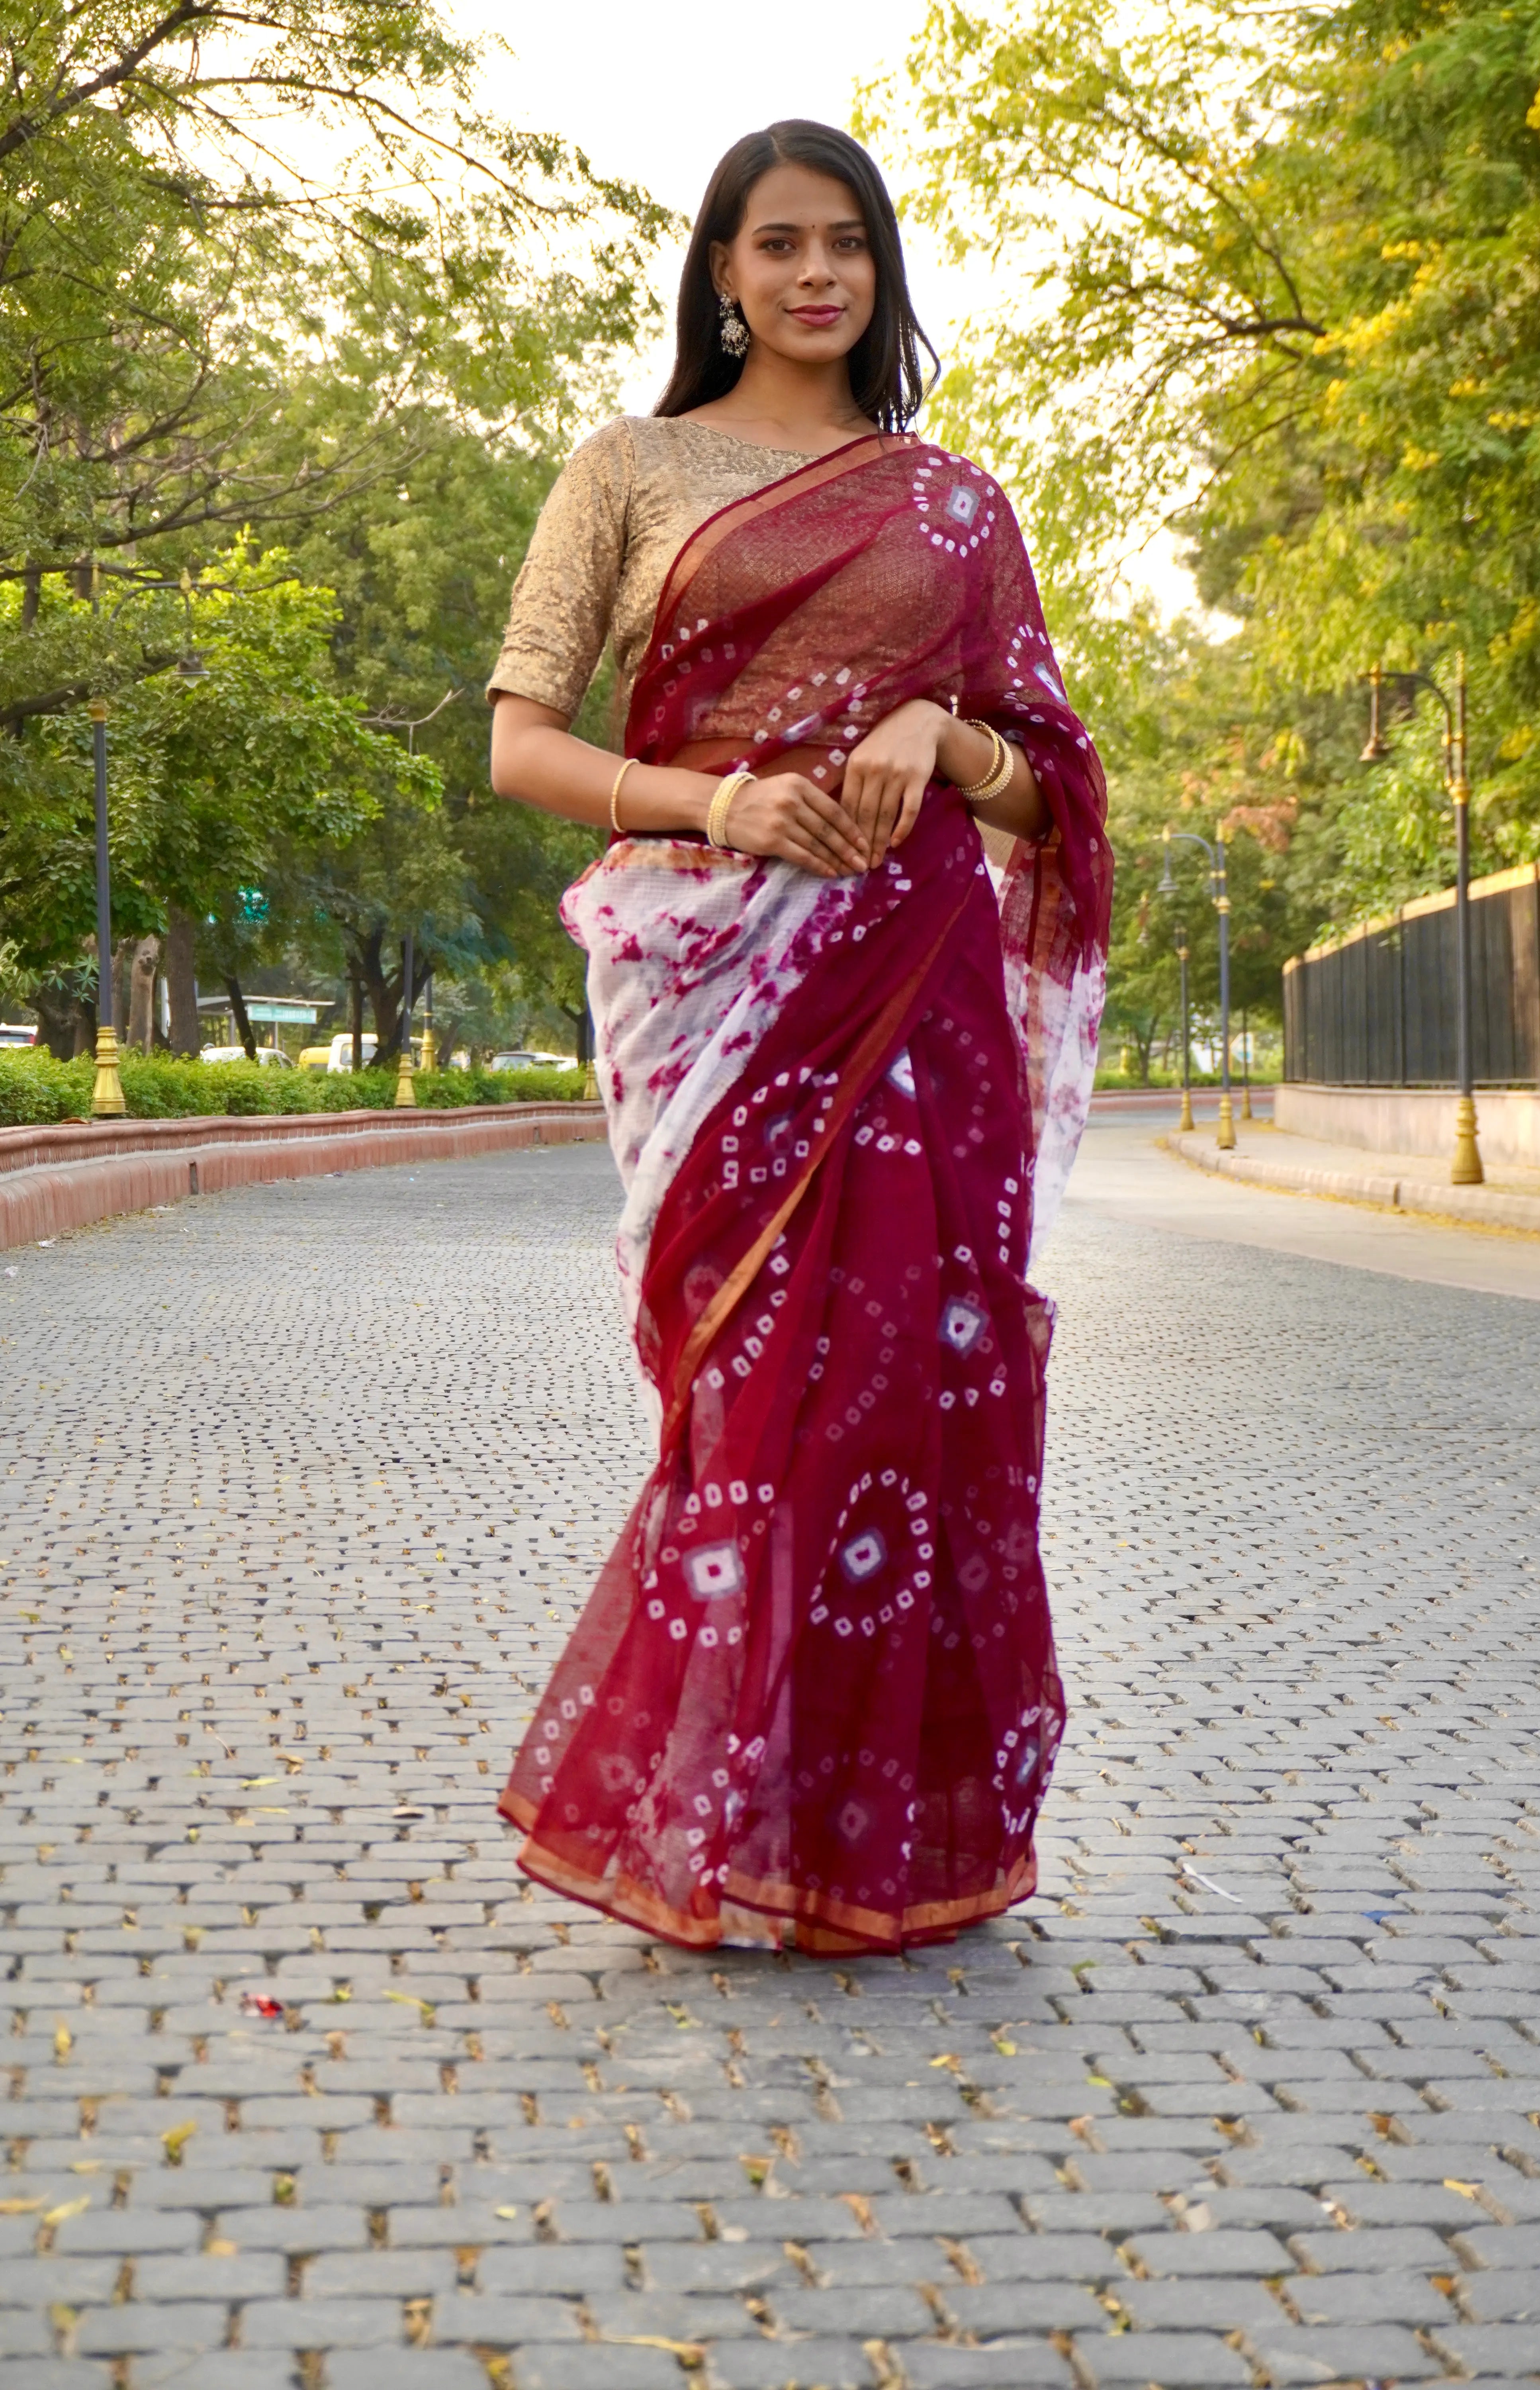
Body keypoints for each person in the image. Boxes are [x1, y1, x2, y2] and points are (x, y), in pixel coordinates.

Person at [487, 120, 1110, 1955]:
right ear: (725, 270)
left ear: (879, 268)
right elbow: (522, 746)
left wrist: (946, 738)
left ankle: (886, 1847)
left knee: (906, 1395)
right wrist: (718, 807)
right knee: (758, 1398)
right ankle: (737, 1821)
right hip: (712, 985)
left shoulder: (950, 506)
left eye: (845, 243)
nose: (814, 273)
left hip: (913, 998)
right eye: (778, 245)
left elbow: (1049, 793)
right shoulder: (631, 467)